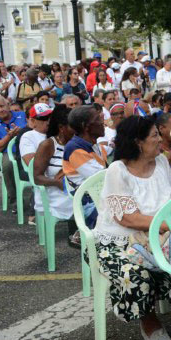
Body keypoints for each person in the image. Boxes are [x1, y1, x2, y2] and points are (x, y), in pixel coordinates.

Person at [93, 116, 171, 340]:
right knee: (135, 272)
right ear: (138, 142)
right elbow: (128, 219)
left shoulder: (162, 164)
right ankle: (149, 321)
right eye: (155, 135)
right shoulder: (118, 170)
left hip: (159, 234)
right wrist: (166, 225)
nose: (160, 139)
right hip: (120, 241)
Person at [63, 106, 108, 241]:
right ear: (86, 126)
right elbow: (102, 178)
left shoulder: (94, 145)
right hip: (89, 201)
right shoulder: (75, 148)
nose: (102, 122)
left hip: (100, 195)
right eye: (97, 119)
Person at [32, 105, 76, 239]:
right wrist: (57, 183)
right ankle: (78, 235)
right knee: (84, 202)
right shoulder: (48, 145)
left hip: (74, 187)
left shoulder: (78, 143)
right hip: (55, 191)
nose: (77, 130)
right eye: (73, 126)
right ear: (62, 128)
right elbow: (37, 178)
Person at [0, 95, 27, 216]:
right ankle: (16, 202)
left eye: (2, 105)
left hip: (28, 150)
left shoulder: (22, 115)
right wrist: (9, 136)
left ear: (8, 105)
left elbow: (33, 128)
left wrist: (21, 132)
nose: (0, 109)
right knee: (8, 165)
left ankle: (39, 200)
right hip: (9, 153)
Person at [18, 103, 55, 225]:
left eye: (50, 117)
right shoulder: (28, 136)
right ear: (33, 121)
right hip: (42, 176)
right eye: (44, 118)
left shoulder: (57, 133)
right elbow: (32, 163)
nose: (48, 121)